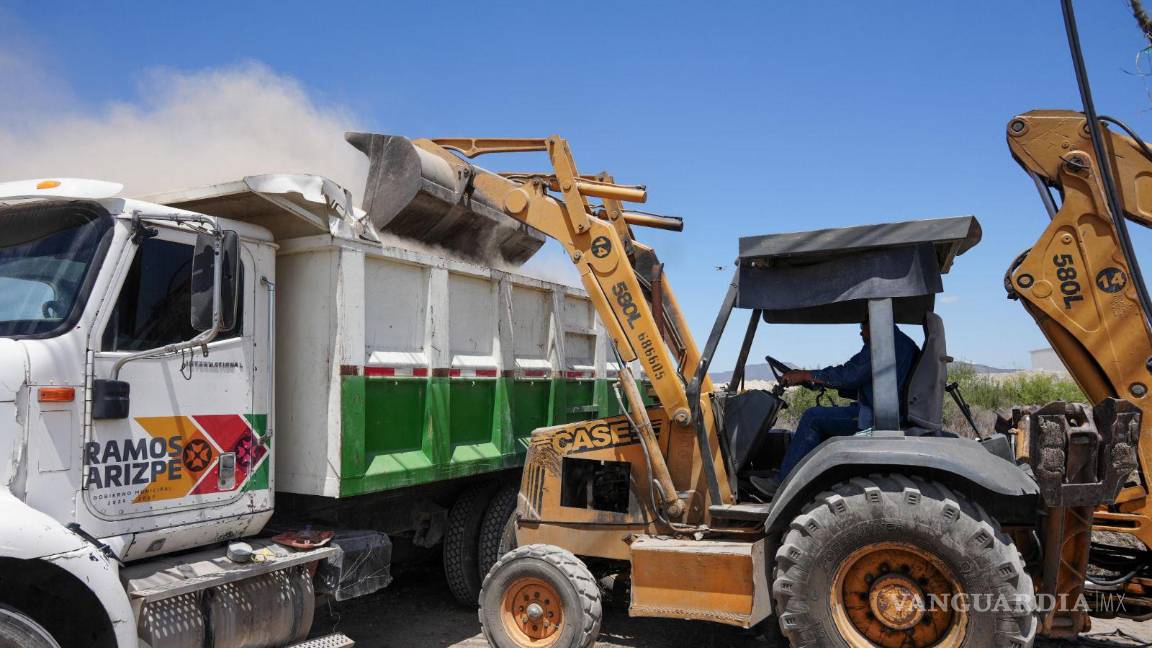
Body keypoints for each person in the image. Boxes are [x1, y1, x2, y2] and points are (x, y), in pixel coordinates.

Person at [752, 322, 919, 496]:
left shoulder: (883, 343)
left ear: (874, 323)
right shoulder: (899, 342)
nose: (861, 333)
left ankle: (782, 484)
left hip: (877, 419)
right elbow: (855, 377)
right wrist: (812, 379)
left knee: (813, 417)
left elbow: (850, 375)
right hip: (884, 411)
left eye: (863, 327)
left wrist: (806, 375)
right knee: (822, 417)